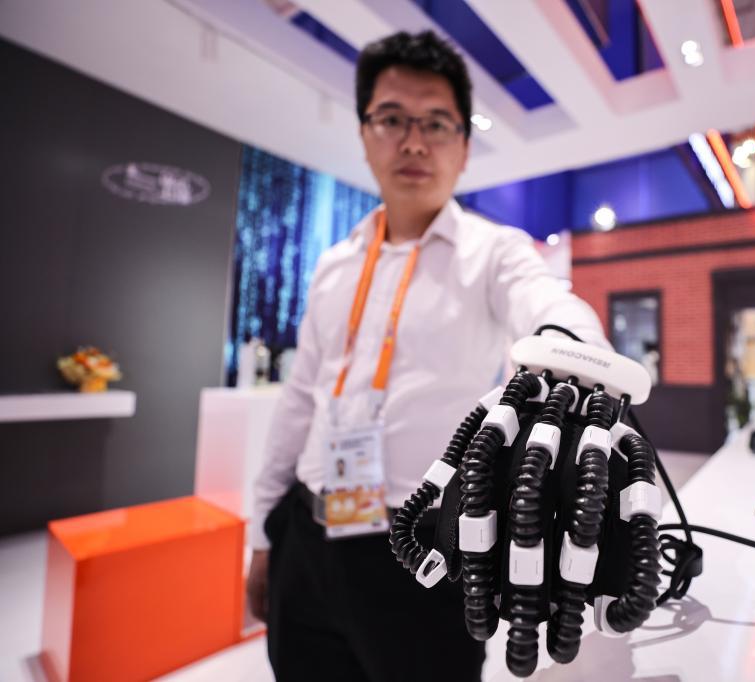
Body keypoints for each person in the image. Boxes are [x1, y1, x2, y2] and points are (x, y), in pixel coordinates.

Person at [245, 30, 609, 682]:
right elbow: (299, 399)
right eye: (392, 119)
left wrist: (577, 355)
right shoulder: (334, 264)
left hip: (422, 550)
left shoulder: (493, 253)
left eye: (436, 123)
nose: (413, 142)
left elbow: (544, 300)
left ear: (464, 145)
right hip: (308, 533)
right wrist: (263, 537)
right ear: (364, 134)